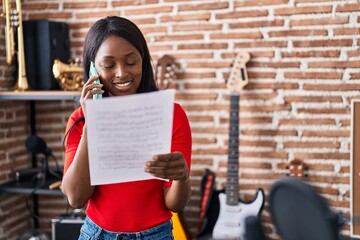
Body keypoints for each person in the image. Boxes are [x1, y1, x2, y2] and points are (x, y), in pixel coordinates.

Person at [61, 16, 192, 240]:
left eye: (130, 62)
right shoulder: (80, 119)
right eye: (109, 65)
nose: (121, 73)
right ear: (93, 68)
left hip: (155, 235)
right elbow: (75, 198)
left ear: (143, 60)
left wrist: (182, 178)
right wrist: (93, 121)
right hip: (97, 234)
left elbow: (174, 204)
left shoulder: (172, 115)